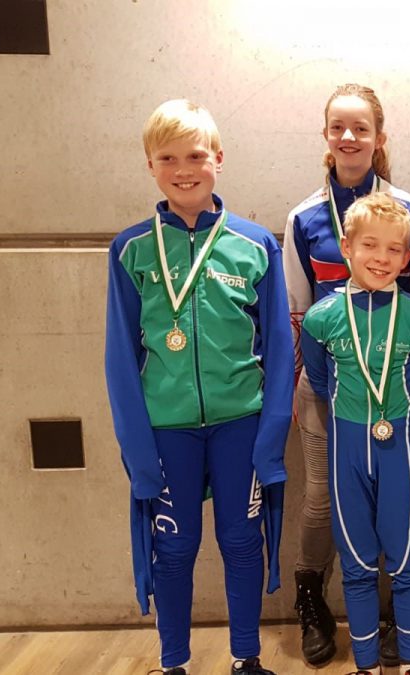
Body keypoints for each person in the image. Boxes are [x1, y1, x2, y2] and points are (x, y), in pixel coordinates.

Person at [105, 99, 290, 675]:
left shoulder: (256, 244)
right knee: (175, 546)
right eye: (167, 158)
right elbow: (120, 358)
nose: (183, 169)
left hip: (241, 423)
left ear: (218, 158)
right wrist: (137, 448)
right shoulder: (131, 250)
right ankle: (173, 663)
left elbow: (279, 348)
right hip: (167, 429)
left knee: (241, 541)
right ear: (150, 165)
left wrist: (270, 436)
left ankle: (246, 659)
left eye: (195, 155)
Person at [283, 83, 410, 668]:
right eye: (338, 127)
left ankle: (401, 623)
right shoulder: (302, 216)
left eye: (361, 127)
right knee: (323, 500)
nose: (349, 137)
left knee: (399, 513)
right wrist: (310, 386)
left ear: (379, 137)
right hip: (331, 379)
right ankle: (311, 599)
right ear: (325, 136)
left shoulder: (408, 211)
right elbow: (298, 310)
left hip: (393, 383)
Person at [300, 193, 410, 675]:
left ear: (407, 258)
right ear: (347, 247)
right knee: (356, 561)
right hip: (345, 451)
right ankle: (365, 663)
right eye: (369, 245)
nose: (381, 258)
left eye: (393, 249)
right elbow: (319, 380)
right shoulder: (321, 319)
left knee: (407, 559)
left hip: (399, 450)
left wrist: (398, 420)